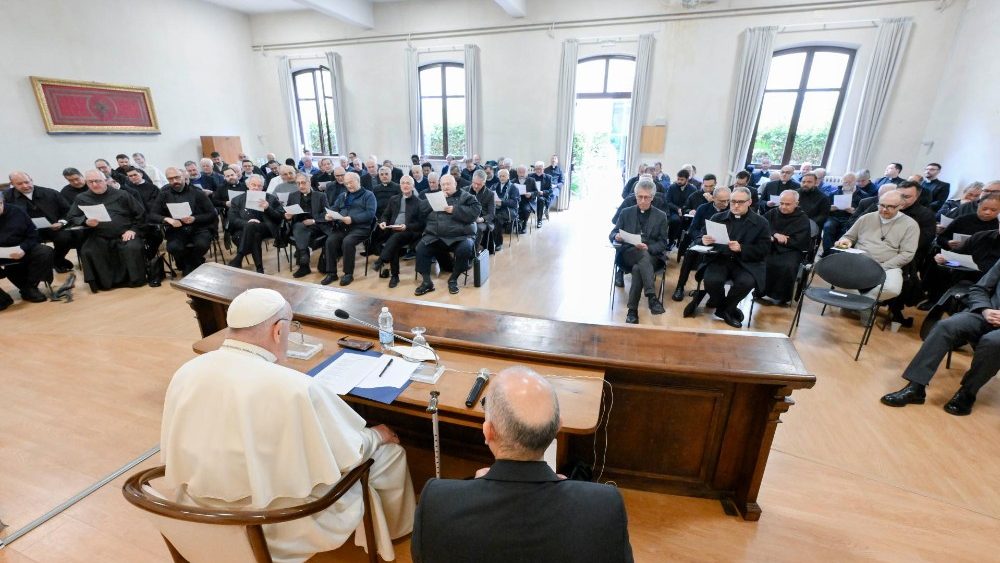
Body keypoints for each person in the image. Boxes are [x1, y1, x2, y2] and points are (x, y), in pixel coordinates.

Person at [160, 288, 415, 562]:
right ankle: (397, 537)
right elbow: (348, 453)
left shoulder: (187, 371)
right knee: (390, 455)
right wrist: (377, 435)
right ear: (278, 331)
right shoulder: (293, 388)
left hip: (199, 511)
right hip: (276, 521)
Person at [411, 366, 633, 563]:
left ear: (488, 432)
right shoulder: (605, 506)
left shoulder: (436, 502)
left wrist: (472, 490)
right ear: (557, 429)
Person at [880, 260, 1000, 416]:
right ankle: (916, 387)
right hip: (987, 314)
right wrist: (985, 309)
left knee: (993, 342)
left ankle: (968, 392)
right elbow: (979, 288)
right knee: (946, 326)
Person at [833, 191, 919, 322]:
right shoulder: (866, 218)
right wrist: (846, 242)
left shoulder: (910, 225)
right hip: (859, 260)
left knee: (893, 289)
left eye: (890, 206)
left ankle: (862, 303)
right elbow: (849, 236)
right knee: (836, 277)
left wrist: (883, 266)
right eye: (881, 205)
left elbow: (907, 254)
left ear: (901, 206)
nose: (884, 209)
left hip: (888, 264)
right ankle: (864, 305)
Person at [66, 170, 147, 292]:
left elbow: (140, 214)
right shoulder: (82, 198)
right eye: (90, 182)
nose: (94, 184)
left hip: (125, 233)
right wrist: (85, 221)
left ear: (105, 181)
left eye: (97, 181)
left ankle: (134, 280)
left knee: (132, 248)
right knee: (88, 250)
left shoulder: (122, 194)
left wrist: (133, 230)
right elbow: (72, 217)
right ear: (86, 183)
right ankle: (104, 284)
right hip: (98, 235)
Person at [701, 186, 771, 328]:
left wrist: (742, 248)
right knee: (711, 280)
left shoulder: (761, 222)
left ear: (749, 202)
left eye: (740, 202)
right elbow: (700, 236)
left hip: (745, 262)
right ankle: (729, 309)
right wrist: (703, 240)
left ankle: (724, 310)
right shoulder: (718, 217)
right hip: (720, 259)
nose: (736, 205)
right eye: (733, 202)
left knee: (746, 282)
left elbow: (764, 249)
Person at [609, 179, 669, 324]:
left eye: (646, 197)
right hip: (628, 253)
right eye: (639, 197)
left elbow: (663, 243)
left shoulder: (661, 216)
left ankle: (632, 311)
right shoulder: (625, 212)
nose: (642, 200)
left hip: (651, 256)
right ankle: (651, 297)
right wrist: (616, 236)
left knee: (638, 268)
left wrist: (649, 248)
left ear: (652, 197)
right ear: (635, 196)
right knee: (641, 255)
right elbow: (613, 233)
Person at [414, 175, 481, 296]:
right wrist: (433, 202)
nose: (445, 187)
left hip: (460, 236)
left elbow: (475, 211)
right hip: (436, 235)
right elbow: (421, 210)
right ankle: (427, 282)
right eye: (443, 184)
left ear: (455, 184)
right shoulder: (435, 197)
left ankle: (453, 279)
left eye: (448, 184)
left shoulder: (466, 196)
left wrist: (455, 210)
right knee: (421, 247)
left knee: (465, 248)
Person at [5, 171, 78, 273]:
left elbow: (68, 211)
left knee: (66, 238)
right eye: (20, 184)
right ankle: (46, 265)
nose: (25, 186)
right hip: (26, 232)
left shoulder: (50, 193)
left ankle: (56, 259)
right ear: (12, 184)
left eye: (27, 182)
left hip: (53, 227)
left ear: (31, 180)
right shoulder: (6, 198)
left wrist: (61, 222)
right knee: (34, 248)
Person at [149, 167, 217, 276]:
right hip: (177, 229)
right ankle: (194, 263)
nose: (175, 181)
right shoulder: (164, 194)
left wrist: (195, 218)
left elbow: (212, 213)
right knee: (173, 247)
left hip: (199, 228)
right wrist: (167, 219)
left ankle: (189, 265)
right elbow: (152, 215)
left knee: (201, 245)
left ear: (184, 177)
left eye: (177, 177)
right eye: (170, 179)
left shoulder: (197, 192)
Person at [672, 186, 731, 301]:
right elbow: (693, 229)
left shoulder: (731, 211)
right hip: (702, 241)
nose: (725, 203)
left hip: (722, 245)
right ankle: (680, 287)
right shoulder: (703, 208)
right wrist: (701, 238)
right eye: (722, 201)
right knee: (689, 253)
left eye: (728, 200)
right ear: (713, 198)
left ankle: (714, 290)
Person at [321, 171, 375, 287]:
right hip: (343, 227)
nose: (349, 186)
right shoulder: (343, 195)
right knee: (330, 241)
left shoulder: (369, 195)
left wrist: (352, 219)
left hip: (361, 228)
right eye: (346, 183)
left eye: (351, 182)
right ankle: (332, 273)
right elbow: (334, 208)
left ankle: (348, 274)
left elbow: (370, 214)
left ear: (358, 181)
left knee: (348, 242)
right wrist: (329, 215)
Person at [372, 176, 426, 288]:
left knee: (394, 239)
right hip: (393, 230)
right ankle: (394, 276)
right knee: (394, 243)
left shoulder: (419, 202)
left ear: (413, 186)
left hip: (410, 232)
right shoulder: (394, 199)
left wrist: (406, 226)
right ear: (400, 185)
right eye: (402, 183)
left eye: (408, 183)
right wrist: (383, 222)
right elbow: (386, 215)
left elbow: (421, 224)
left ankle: (383, 261)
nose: (405, 185)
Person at [0, 197, 52, 308]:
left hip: (21, 248)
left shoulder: (17, 211)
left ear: (2, 202)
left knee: (45, 251)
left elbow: (33, 235)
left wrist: (23, 248)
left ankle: (30, 286)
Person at [762, 190, 811, 305]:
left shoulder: (802, 218)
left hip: (791, 250)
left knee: (788, 266)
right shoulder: (772, 213)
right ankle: (760, 292)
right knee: (763, 262)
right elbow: (761, 225)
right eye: (781, 203)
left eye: (787, 204)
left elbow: (801, 240)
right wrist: (775, 234)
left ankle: (781, 297)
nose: (783, 207)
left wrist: (786, 240)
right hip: (771, 247)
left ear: (796, 203)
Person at [227, 174, 284, 274]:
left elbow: (279, 218)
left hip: (266, 227)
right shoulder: (237, 199)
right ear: (248, 185)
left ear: (263, 187)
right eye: (254, 185)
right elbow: (232, 219)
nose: (256, 188)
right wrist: (246, 223)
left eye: (259, 186)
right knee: (254, 233)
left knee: (252, 227)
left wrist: (268, 208)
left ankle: (239, 256)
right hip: (245, 228)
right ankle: (259, 269)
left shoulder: (270, 198)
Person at [286, 173, 331, 278]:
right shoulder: (292, 196)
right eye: (298, 183)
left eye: (303, 183)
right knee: (299, 226)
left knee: (299, 228)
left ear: (309, 182)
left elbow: (326, 213)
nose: (301, 186)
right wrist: (288, 216)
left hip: (316, 226)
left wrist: (314, 220)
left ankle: (304, 264)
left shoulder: (320, 195)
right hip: (300, 225)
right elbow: (288, 211)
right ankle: (304, 256)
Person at [822, 172, 863, 253]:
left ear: (855, 182)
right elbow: (825, 208)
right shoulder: (834, 193)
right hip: (834, 217)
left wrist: (853, 212)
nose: (847, 183)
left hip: (850, 218)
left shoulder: (861, 195)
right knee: (828, 227)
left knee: (846, 230)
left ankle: (840, 253)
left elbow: (862, 212)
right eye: (845, 181)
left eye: (850, 182)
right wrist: (831, 208)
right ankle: (827, 252)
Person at [665, 169, 697, 246]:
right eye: (678, 179)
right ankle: (671, 241)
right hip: (673, 211)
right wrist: (677, 209)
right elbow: (668, 202)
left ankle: (682, 243)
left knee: (688, 222)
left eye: (682, 179)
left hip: (687, 212)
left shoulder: (693, 189)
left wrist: (688, 211)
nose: (679, 181)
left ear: (687, 179)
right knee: (675, 220)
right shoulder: (672, 187)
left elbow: (693, 203)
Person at [468, 170, 496, 252]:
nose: (475, 186)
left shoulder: (490, 194)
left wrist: (481, 219)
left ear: (484, 183)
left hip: (482, 220)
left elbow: (492, 214)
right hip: (467, 217)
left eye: (479, 184)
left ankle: (473, 252)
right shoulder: (465, 190)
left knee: (478, 228)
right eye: (474, 183)